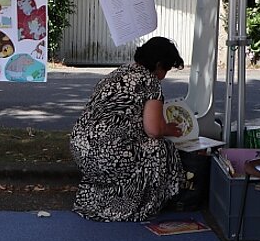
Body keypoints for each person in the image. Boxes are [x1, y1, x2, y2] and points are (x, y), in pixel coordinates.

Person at [69, 36, 187, 222]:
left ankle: (99, 200)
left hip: (81, 149)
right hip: (106, 156)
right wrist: (169, 129)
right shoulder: (150, 81)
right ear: (158, 65)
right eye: (167, 68)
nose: (165, 75)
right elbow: (153, 130)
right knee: (160, 148)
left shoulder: (118, 72)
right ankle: (142, 203)